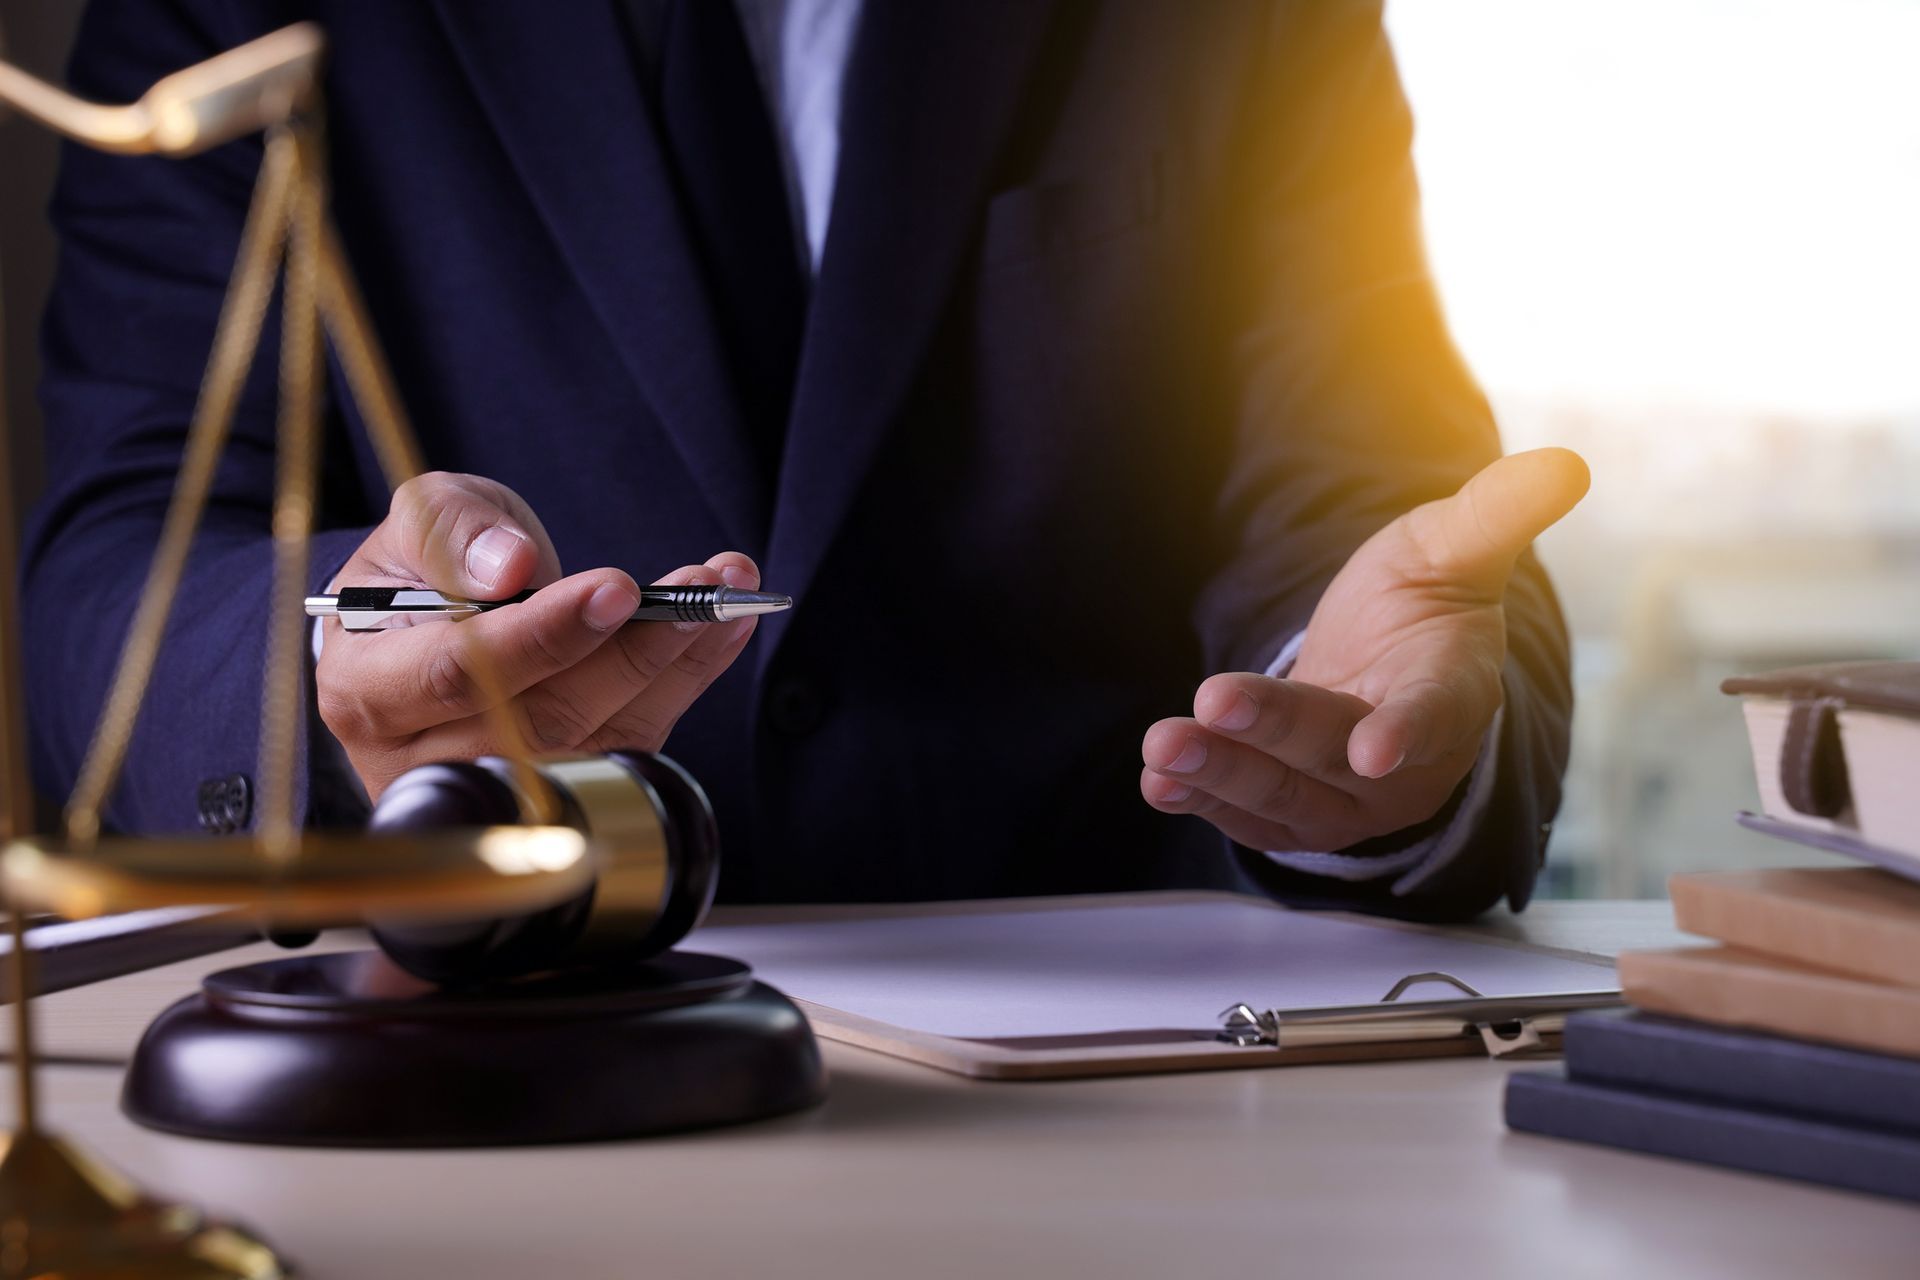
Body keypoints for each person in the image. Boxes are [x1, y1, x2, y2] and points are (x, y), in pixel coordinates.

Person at [23, 0, 1585, 920]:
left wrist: (1370, 736)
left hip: (1118, 1122)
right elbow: (121, 558)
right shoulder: (225, 18)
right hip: (475, 1049)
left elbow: (1371, 513)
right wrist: (333, 670)